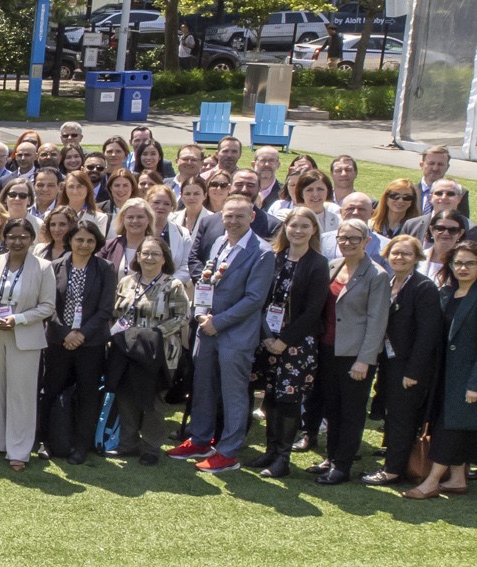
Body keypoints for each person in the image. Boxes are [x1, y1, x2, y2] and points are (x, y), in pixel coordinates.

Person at [172, 195, 278, 476]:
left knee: (233, 394)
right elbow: (207, 283)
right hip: (207, 330)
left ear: (252, 217)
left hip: (235, 335)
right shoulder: (220, 243)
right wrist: (202, 315)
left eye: (239, 216)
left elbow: (255, 299)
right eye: (228, 216)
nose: (232, 221)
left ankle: (229, 451)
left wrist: (218, 322)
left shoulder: (263, 252)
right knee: (203, 386)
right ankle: (200, 440)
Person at [409, 241, 477, 502]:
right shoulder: (447, 293)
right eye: (458, 263)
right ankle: (457, 479)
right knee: (448, 423)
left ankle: (431, 482)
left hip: (467, 376)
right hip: (443, 375)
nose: (463, 268)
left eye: (469, 263)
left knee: (450, 429)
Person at [252, 208, 330, 479]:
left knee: (288, 400)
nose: (297, 231)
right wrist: (267, 337)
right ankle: (271, 450)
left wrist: (284, 341)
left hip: (296, 344)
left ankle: (282, 458)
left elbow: (313, 310)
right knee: (270, 398)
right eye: (293, 225)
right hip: (269, 338)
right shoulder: (274, 258)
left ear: (313, 230)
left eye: (304, 226)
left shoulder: (318, 263)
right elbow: (261, 299)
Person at [367, 232, 448, 487]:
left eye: (406, 253)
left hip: (409, 367)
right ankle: (393, 456)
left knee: (402, 416)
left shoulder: (423, 288)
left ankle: (393, 471)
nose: (399, 257)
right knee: (392, 414)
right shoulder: (389, 281)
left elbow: (428, 335)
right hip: (389, 362)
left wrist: (413, 371)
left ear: (417, 258)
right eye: (395, 252)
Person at [0, 219, 52, 469]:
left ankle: (19, 450)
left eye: (23, 236)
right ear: (4, 238)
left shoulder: (43, 267)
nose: (17, 241)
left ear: (32, 238)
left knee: (21, 395)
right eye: (12, 237)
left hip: (24, 337)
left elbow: (48, 306)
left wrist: (18, 319)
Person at [316, 219, 392, 484]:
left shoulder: (377, 275)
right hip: (328, 349)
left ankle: (342, 465)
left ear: (367, 242)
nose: (347, 243)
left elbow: (377, 321)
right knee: (332, 408)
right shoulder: (333, 267)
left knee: (351, 412)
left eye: (354, 238)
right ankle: (330, 456)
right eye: (343, 238)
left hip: (355, 355)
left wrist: (364, 360)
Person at [107, 235, 190, 463]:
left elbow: (183, 317)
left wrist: (154, 334)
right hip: (126, 350)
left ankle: (151, 449)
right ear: (138, 256)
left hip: (159, 352)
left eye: (155, 253)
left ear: (164, 258)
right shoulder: (126, 282)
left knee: (153, 402)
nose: (149, 258)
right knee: (126, 398)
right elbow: (115, 313)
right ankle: (127, 444)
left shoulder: (173, 285)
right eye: (145, 253)